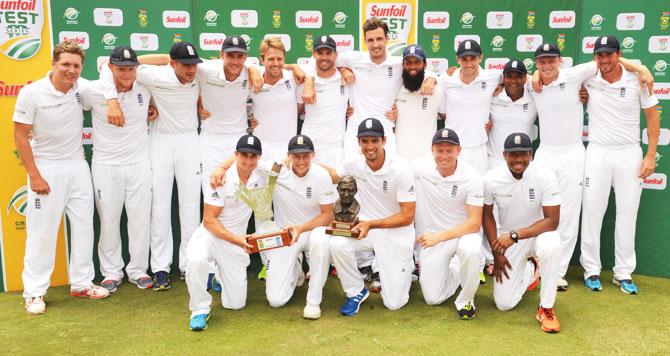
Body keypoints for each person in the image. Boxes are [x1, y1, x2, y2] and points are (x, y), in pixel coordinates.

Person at [529, 42, 652, 291]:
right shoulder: (531, 84)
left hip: (574, 154)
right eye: (541, 61)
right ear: (536, 64)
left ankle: (559, 271)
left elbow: (607, 62)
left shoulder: (575, 74)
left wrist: (641, 69)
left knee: (570, 213)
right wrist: (533, 75)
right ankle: (536, 267)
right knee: (537, 212)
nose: (547, 65)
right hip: (545, 154)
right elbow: (499, 81)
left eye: (551, 60)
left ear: (560, 61)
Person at [13, 41, 109, 315]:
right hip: (46, 168)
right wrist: (34, 175)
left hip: (77, 166)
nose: (71, 70)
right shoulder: (32, 93)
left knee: (83, 227)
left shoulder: (81, 88)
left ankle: (81, 283)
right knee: (42, 233)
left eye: (76, 65)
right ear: (54, 64)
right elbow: (20, 135)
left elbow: (113, 87)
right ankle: (34, 293)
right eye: (65, 64)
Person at [104, 41, 203, 290]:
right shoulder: (154, 75)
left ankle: (189, 264)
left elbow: (247, 68)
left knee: (190, 206)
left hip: (190, 141)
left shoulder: (201, 74)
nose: (191, 69)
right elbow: (105, 67)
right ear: (172, 64)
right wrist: (112, 100)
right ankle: (160, 267)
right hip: (159, 143)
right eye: (184, 64)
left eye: (193, 64)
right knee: (159, 207)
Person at [579, 35, 660, 294]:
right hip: (598, 152)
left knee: (627, 213)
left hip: (629, 153)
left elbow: (652, 117)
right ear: (595, 57)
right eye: (600, 55)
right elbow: (552, 75)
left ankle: (623, 273)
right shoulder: (589, 77)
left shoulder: (639, 79)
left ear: (618, 54)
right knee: (592, 211)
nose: (604, 60)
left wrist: (650, 155)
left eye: (609, 55)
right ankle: (591, 269)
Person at [302, 17, 437, 158]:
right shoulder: (355, 59)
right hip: (355, 133)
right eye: (370, 40)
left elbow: (420, 70)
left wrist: (431, 78)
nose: (375, 44)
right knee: (351, 179)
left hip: (385, 132)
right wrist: (312, 81)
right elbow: (319, 59)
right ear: (365, 41)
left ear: (387, 39)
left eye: (379, 39)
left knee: (387, 178)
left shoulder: (398, 64)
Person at [322, 118, 416, 315]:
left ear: (384, 141)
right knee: (336, 243)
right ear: (359, 143)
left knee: (394, 303)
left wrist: (371, 224)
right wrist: (302, 161)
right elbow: (332, 176)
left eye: (375, 141)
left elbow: (408, 216)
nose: (370, 146)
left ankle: (406, 267)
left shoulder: (401, 169)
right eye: (365, 141)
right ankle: (356, 291)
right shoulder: (353, 163)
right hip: (367, 231)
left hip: (395, 234)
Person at [80, 46, 154, 292]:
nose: (126, 74)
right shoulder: (93, 90)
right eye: (120, 69)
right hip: (106, 165)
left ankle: (138, 270)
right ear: (110, 68)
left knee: (140, 219)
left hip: (139, 164)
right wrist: (110, 97)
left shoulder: (145, 87)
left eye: (131, 69)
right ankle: (111, 272)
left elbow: (167, 61)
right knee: (109, 219)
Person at [185, 134, 266, 331]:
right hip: (211, 235)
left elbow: (284, 162)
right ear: (235, 155)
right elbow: (209, 220)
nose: (248, 161)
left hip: (235, 243)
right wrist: (222, 168)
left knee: (236, 304)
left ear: (259, 157)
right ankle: (199, 310)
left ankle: (219, 277)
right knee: (196, 258)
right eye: (243, 155)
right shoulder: (220, 179)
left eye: (253, 156)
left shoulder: (262, 174)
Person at [483, 133, 562, 333]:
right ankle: (530, 270)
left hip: (537, 235)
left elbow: (552, 221)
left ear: (531, 154)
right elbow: (487, 216)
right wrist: (496, 253)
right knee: (504, 304)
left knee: (551, 245)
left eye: (523, 154)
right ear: (504, 155)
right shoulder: (491, 178)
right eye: (513, 154)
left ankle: (546, 308)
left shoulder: (546, 176)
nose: (518, 159)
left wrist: (515, 235)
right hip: (508, 240)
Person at [260, 135, 336, 319]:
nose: (301, 161)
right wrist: (221, 168)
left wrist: (301, 228)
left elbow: (327, 215)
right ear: (288, 156)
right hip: (287, 236)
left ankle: (313, 301)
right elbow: (249, 159)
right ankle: (296, 269)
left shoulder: (321, 175)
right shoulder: (277, 169)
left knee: (321, 243)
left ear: (313, 155)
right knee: (276, 300)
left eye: (306, 156)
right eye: (296, 156)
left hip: (312, 231)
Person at [415, 129, 483, 320]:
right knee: (432, 298)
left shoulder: (472, 177)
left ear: (458, 150)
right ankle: (458, 269)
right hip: (436, 238)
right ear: (432, 150)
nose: (444, 156)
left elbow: (474, 223)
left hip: (464, 235)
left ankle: (466, 299)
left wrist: (438, 237)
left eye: (449, 150)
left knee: (469, 250)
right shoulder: (421, 168)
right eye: (440, 150)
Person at [437, 39, 501, 174]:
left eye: (473, 58)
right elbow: (443, 113)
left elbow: (518, 77)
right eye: (464, 59)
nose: (469, 63)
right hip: (453, 148)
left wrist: (536, 75)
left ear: (481, 57)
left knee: (478, 192)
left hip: (479, 148)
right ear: (457, 59)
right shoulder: (446, 79)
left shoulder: (492, 77)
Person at [298, 35, 351, 167]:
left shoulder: (346, 79)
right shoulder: (304, 78)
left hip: (336, 149)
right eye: (320, 53)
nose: (324, 58)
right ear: (313, 54)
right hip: (308, 147)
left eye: (328, 53)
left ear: (336, 54)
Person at [249, 37, 302, 162]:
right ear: (262, 60)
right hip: (260, 149)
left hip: (288, 149)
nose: (276, 63)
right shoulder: (252, 79)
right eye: (271, 59)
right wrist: (249, 119)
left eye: (279, 59)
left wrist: (293, 66)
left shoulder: (293, 77)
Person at [395, 45, 444, 161]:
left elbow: (448, 117)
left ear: (425, 65)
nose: (412, 67)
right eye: (408, 62)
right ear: (403, 65)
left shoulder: (437, 91)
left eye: (417, 62)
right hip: (400, 158)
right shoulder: (395, 89)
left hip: (428, 159)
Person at [487, 60, 537, 167]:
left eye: (518, 76)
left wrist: (581, 93)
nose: (513, 81)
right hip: (494, 162)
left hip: (523, 163)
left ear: (525, 78)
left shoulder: (535, 98)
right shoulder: (492, 96)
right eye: (509, 76)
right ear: (503, 78)